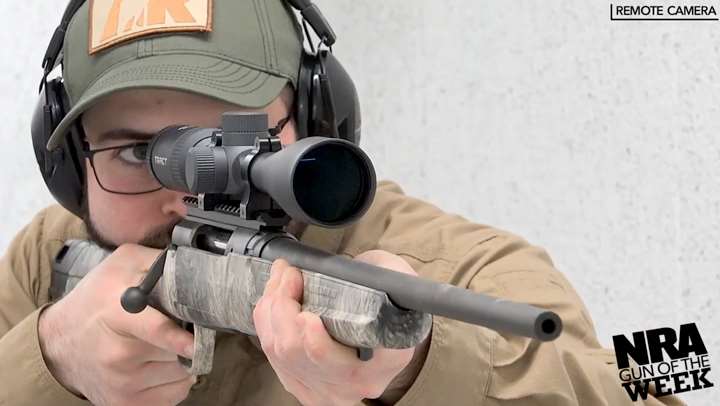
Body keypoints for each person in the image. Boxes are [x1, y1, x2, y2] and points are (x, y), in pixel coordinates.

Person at [0, 1, 683, 405]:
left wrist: (417, 369)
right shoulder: (50, 257)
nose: (187, 192)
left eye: (237, 137)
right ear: (65, 166)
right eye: (132, 152)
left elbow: (638, 390)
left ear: (320, 126)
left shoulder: (461, 272)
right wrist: (49, 361)